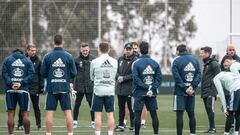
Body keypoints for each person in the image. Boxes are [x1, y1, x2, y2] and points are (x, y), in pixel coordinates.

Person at [40, 33, 77, 135]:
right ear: (63, 42)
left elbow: (42, 73)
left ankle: (48, 134)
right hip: (65, 88)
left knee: (50, 113)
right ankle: (70, 134)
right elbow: (74, 73)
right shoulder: (69, 56)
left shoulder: (47, 56)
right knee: (68, 112)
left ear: (53, 42)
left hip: (52, 88)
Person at [132, 41, 162, 135]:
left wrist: (145, 87)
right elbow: (159, 78)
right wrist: (151, 88)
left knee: (137, 114)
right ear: (148, 50)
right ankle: (156, 133)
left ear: (140, 50)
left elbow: (136, 79)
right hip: (151, 93)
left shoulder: (136, 63)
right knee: (154, 114)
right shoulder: (155, 63)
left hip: (139, 92)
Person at [2, 48, 35, 135]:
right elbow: (31, 74)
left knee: (10, 114)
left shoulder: (7, 59)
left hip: (10, 90)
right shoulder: (27, 60)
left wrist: (11, 83)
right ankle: (27, 134)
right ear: (22, 53)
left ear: (13, 53)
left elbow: (4, 73)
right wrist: (21, 83)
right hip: (23, 90)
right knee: (25, 114)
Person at [171, 44, 201, 135]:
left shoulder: (176, 60)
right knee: (191, 114)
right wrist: (192, 86)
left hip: (180, 92)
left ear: (177, 51)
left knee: (179, 115)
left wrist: (184, 88)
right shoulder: (195, 60)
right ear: (186, 50)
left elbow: (176, 77)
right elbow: (199, 75)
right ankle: (193, 134)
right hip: (191, 92)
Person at [90, 42, 118, 135]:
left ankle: (98, 133)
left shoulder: (94, 62)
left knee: (97, 115)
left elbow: (91, 77)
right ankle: (110, 133)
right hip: (110, 91)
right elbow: (114, 76)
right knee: (110, 115)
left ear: (99, 49)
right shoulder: (115, 61)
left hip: (98, 91)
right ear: (109, 49)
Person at [16, 45, 44, 131]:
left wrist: (41, 87)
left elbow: (41, 75)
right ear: (27, 51)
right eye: (32, 50)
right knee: (22, 107)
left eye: (35, 50)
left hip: (35, 88)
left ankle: (38, 125)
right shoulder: (22, 60)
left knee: (36, 107)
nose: (34, 52)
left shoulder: (38, 61)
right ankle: (20, 124)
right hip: (24, 87)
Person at [213, 56, 240, 135]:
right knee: (238, 115)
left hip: (236, 92)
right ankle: (235, 133)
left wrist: (225, 108)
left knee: (230, 114)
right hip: (237, 90)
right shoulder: (234, 70)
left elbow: (221, 93)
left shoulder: (217, 77)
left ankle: (226, 133)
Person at [114, 43, 137, 132]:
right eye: (126, 49)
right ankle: (121, 125)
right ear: (124, 49)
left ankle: (133, 125)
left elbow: (134, 74)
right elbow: (115, 71)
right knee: (121, 108)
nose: (128, 51)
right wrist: (118, 77)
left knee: (131, 108)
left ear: (132, 50)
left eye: (129, 49)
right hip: (120, 89)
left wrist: (124, 78)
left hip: (130, 89)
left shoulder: (135, 60)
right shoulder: (120, 59)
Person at [73, 43, 95, 129]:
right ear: (81, 50)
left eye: (86, 50)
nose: (85, 52)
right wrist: (72, 84)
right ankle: (75, 122)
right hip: (79, 87)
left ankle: (93, 122)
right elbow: (73, 74)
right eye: (83, 50)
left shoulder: (93, 59)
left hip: (90, 86)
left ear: (89, 50)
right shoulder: (76, 60)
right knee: (77, 104)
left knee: (91, 104)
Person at [199, 46, 220, 133]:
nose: (200, 54)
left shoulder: (213, 63)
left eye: (202, 53)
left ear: (207, 53)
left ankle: (213, 128)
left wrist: (213, 89)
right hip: (205, 91)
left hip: (210, 90)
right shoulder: (206, 63)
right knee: (208, 109)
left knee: (210, 108)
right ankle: (211, 127)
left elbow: (218, 77)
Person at [220, 44, 240, 131]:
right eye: (230, 50)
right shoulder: (224, 60)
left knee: (237, 111)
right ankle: (231, 125)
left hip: (236, 89)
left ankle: (235, 128)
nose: (232, 51)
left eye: (233, 49)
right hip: (227, 89)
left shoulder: (238, 60)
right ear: (227, 51)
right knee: (229, 110)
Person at [131, 41, 148, 128]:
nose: (134, 50)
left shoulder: (142, 59)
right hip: (133, 85)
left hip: (142, 84)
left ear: (139, 49)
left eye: (135, 48)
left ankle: (143, 123)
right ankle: (134, 123)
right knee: (133, 105)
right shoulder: (129, 58)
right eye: (132, 48)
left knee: (144, 104)